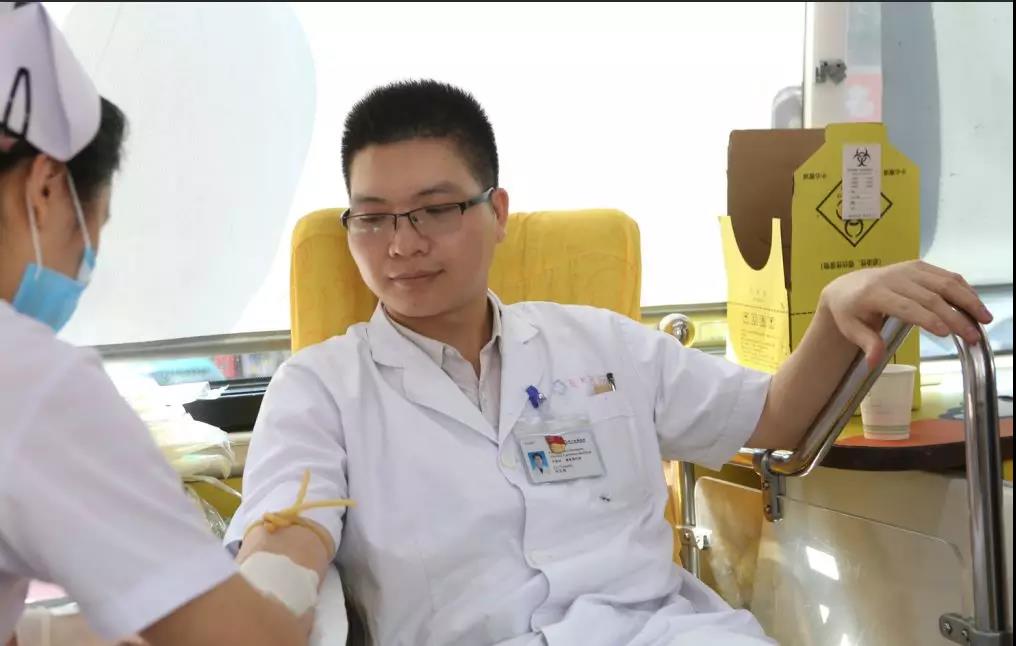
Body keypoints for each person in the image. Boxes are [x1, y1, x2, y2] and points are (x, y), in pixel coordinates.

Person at [224, 79, 993, 645]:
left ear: (497, 213)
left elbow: (776, 420)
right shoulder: (320, 388)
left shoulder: (601, 345)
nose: (402, 244)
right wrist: (258, 606)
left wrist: (835, 308)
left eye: (435, 209)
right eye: (373, 218)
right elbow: (287, 540)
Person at [0, 4, 309, 645]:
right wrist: (288, 602)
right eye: (95, 228)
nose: (87, 263)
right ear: (46, 188)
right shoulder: (33, 382)